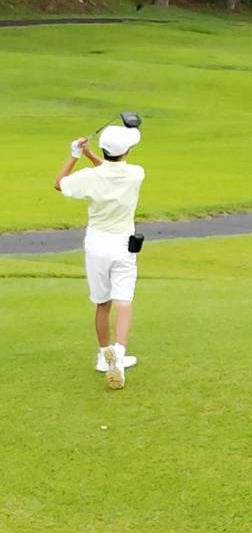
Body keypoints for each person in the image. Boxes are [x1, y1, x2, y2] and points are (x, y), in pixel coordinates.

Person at [54, 122, 145, 389]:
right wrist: (92, 156)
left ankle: (104, 356)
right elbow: (111, 174)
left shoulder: (90, 177)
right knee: (123, 302)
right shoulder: (136, 173)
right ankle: (119, 354)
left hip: (96, 244)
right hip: (122, 245)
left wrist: (76, 155)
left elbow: (59, 184)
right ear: (125, 151)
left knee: (102, 303)